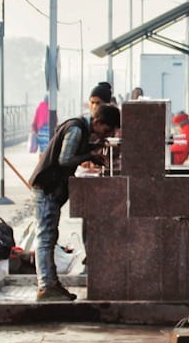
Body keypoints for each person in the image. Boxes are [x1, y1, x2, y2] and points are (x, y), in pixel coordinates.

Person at [27, 103, 122, 301]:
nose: (104, 135)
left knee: (50, 236)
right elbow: (65, 159)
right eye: (105, 130)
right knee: (45, 237)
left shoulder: (80, 129)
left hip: (51, 188)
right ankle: (46, 286)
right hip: (46, 188)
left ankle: (52, 284)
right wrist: (90, 155)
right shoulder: (76, 129)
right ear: (97, 122)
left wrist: (92, 150)